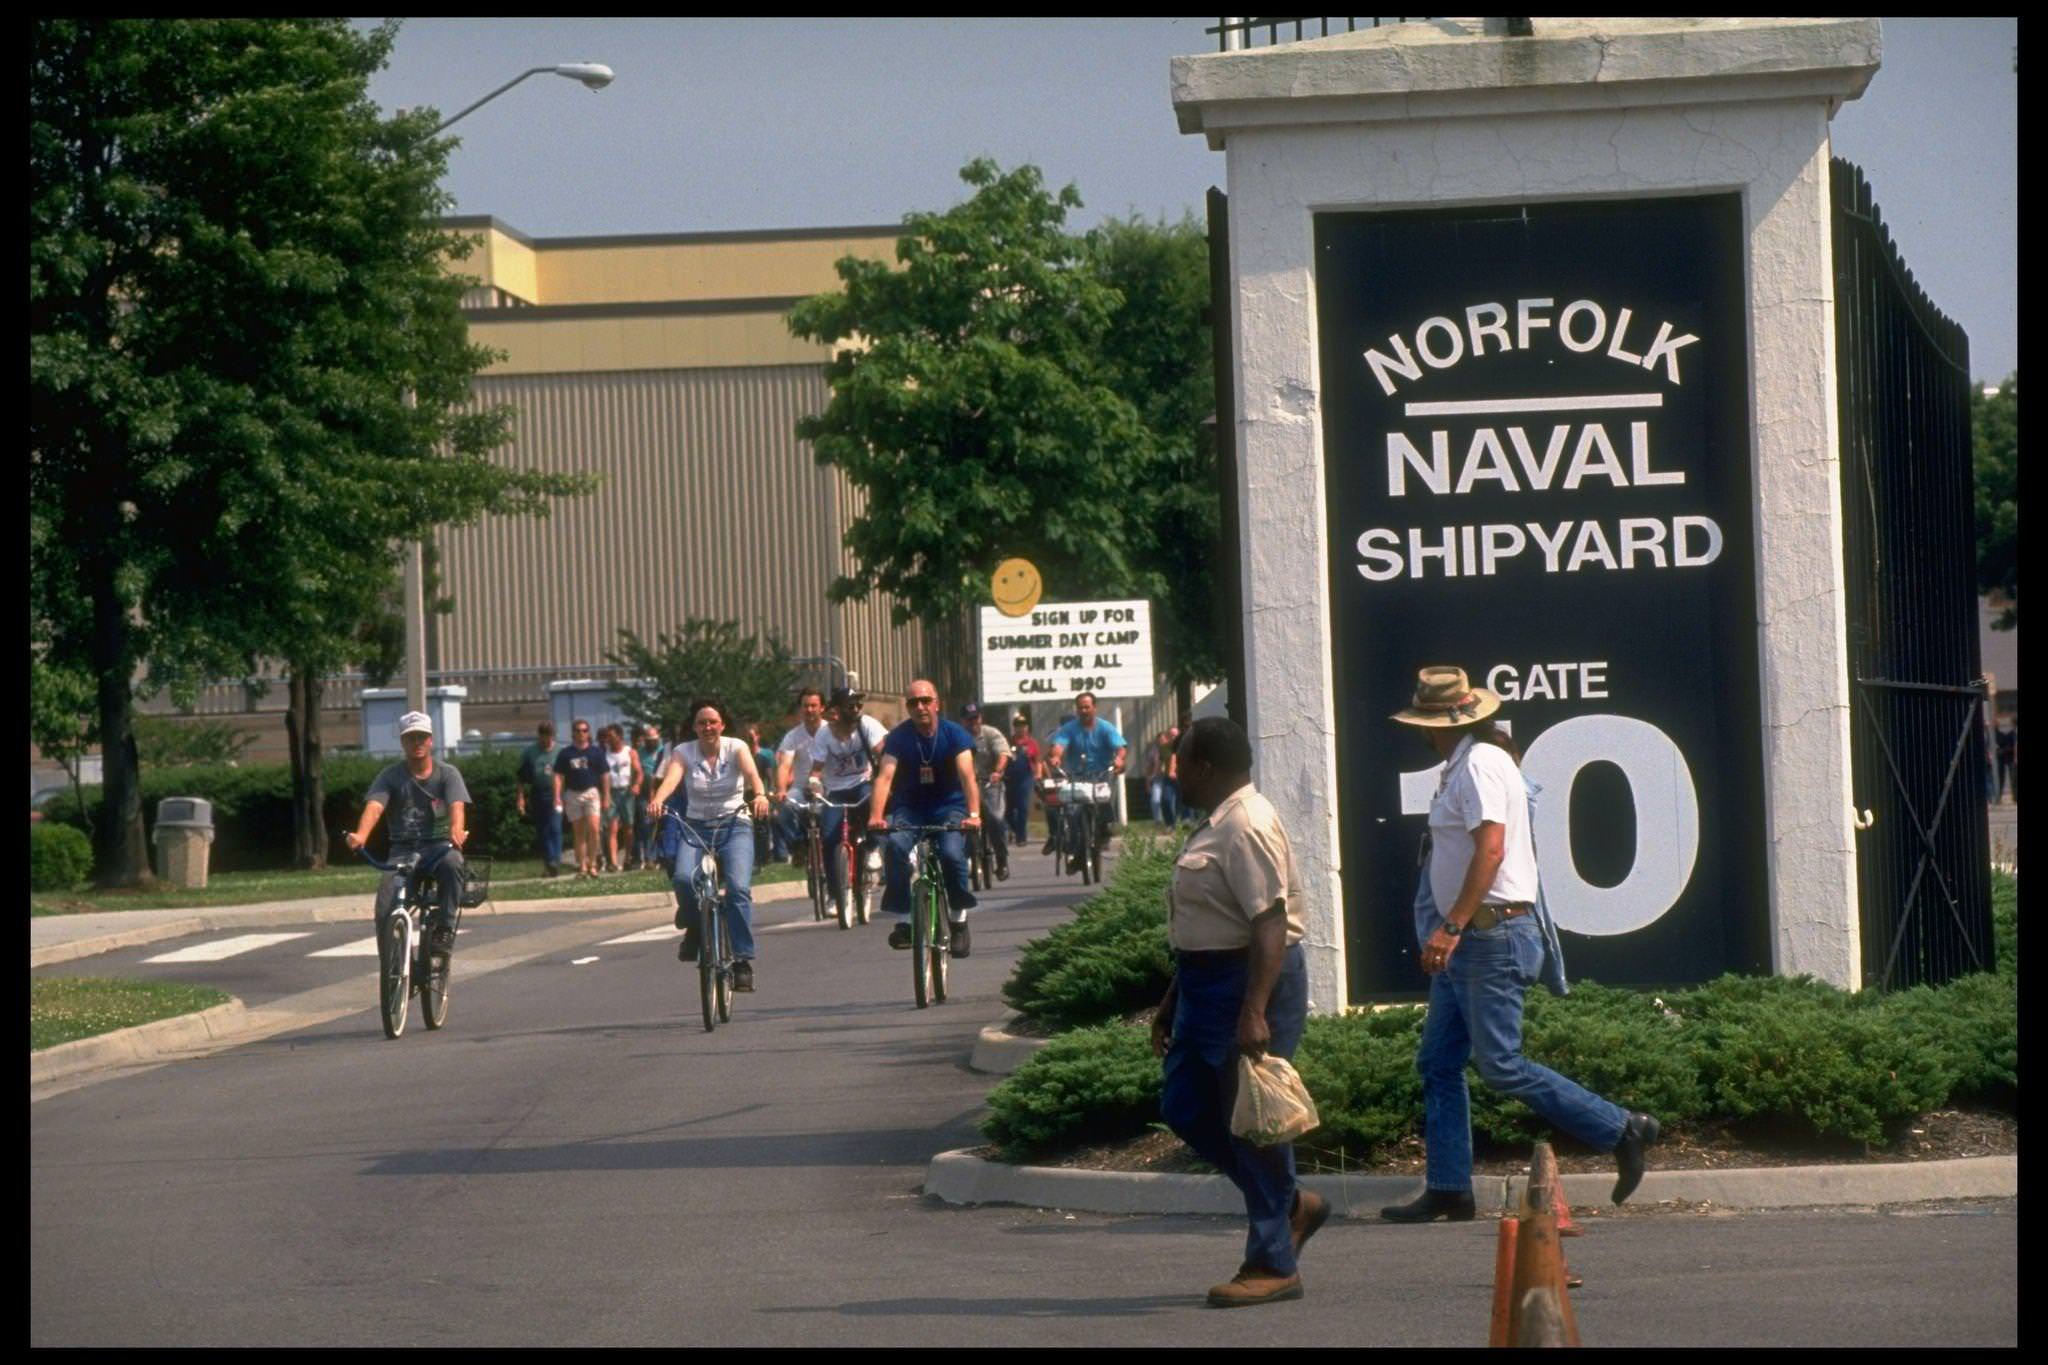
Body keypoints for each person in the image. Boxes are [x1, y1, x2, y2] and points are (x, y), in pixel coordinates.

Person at [1380, 666, 1659, 1225]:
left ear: (1430, 724)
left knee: (1501, 1065)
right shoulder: (1466, 762)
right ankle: (1450, 1188)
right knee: (1438, 1062)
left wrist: (1451, 926)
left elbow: (1491, 850)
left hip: (1489, 935)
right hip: (1477, 938)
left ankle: (1623, 1128)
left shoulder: (1480, 764)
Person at [1150, 715, 1317, 1309]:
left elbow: (1269, 924)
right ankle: (1292, 1204)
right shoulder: (1216, 822)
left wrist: (1255, 1009)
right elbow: (1208, 923)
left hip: (1246, 983)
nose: (1176, 773)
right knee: (1184, 1105)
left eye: (1181, 762)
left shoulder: (1246, 824)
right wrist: (1173, 998)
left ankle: (1273, 1263)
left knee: (1252, 1123)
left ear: (1207, 767)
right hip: (1203, 984)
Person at [647, 698, 772, 992]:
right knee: (682, 879)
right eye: (702, 723)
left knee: (738, 888)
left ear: (722, 725)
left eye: (712, 722)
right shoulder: (683, 752)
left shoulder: (737, 747)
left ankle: (742, 961)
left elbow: (754, 776)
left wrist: (761, 795)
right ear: (694, 727)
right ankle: (694, 927)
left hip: (735, 824)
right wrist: (657, 801)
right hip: (696, 827)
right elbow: (672, 778)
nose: (707, 727)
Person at [866, 678, 982, 957]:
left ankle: (958, 920)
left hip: (949, 806)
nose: (920, 707)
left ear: (936, 704)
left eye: (925, 701)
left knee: (952, 855)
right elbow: (884, 778)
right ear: (907, 707)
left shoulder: (955, 735)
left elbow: (967, 777)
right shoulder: (899, 737)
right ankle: (904, 921)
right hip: (911, 807)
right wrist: (877, 816)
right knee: (895, 846)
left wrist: (975, 814)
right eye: (913, 702)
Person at [345, 711, 470, 958]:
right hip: (402, 851)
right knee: (385, 906)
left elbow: (457, 806)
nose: (417, 743)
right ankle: (392, 966)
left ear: (431, 740)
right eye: (411, 738)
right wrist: (361, 835)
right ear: (403, 742)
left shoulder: (447, 774)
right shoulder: (390, 776)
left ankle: (444, 927)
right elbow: (375, 807)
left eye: (422, 737)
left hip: (438, 847)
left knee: (454, 863)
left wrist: (456, 830)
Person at [807, 687, 887, 921]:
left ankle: (872, 848)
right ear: (837, 711)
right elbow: (817, 768)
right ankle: (835, 895)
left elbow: (883, 752)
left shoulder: (867, 725)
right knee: (830, 837)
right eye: (850, 706)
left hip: (862, 784)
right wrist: (813, 783)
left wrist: (885, 776)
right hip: (837, 791)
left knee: (875, 813)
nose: (856, 710)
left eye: (858, 705)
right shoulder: (825, 734)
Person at [1045, 691, 1129, 873]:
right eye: (1080, 707)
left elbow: (1120, 748)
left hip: (1101, 775)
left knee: (1105, 802)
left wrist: (1119, 759)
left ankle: (1104, 830)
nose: (1084, 711)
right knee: (1073, 814)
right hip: (1077, 776)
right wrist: (1056, 757)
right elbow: (1059, 746)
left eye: (1087, 707)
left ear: (1094, 708)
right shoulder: (1069, 729)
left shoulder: (1106, 727)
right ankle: (1077, 850)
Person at [774, 688, 829, 863]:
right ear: (800, 708)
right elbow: (784, 765)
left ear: (822, 708)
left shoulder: (831, 730)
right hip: (802, 788)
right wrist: (781, 790)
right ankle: (798, 845)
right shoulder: (793, 736)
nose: (810, 710)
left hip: (829, 787)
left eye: (814, 705)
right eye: (806, 706)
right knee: (785, 807)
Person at [960, 701, 1012, 880]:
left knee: (996, 819)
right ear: (963, 721)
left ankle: (1002, 860)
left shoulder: (991, 733)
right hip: (966, 785)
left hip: (990, 783)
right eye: (969, 719)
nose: (973, 722)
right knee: (959, 822)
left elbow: (1003, 754)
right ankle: (963, 861)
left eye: (976, 718)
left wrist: (997, 772)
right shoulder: (958, 736)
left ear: (980, 718)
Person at [552, 719, 608, 879]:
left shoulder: (595, 752)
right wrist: (557, 796)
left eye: (584, 730)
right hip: (573, 793)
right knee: (579, 832)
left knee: (594, 829)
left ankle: (593, 864)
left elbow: (604, 775)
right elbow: (558, 775)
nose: (581, 733)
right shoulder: (566, 753)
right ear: (572, 733)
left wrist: (606, 796)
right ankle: (582, 866)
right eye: (577, 730)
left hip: (591, 792)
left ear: (588, 733)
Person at [515, 720, 563, 876]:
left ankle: (555, 860)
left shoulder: (559, 751)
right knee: (543, 830)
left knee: (555, 827)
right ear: (539, 736)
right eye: (543, 737)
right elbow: (521, 777)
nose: (546, 740)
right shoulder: (530, 752)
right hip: (539, 792)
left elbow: (565, 774)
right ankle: (549, 862)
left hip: (557, 794)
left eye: (549, 737)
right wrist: (520, 797)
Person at [600, 724, 642, 873]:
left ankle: (628, 858)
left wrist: (636, 784)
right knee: (612, 827)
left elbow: (639, 772)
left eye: (611, 736)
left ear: (619, 736)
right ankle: (612, 861)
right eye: (607, 737)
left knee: (628, 827)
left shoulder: (630, 752)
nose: (608, 740)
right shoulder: (604, 753)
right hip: (611, 792)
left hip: (626, 792)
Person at [632, 724, 670, 869]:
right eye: (648, 740)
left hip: (663, 791)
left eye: (654, 739)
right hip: (644, 794)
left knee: (664, 826)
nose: (651, 742)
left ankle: (661, 857)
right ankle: (647, 857)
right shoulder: (639, 752)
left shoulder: (663, 750)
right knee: (646, 825)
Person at [1005, 711, 1040, 849]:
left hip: (1025, 778)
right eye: (1018, 725)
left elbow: (1037, 761)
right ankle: (1015, 829)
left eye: (1023, 725)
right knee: (1008, 811)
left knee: (1022, 808)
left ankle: (1021, 837)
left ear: (1027, 727)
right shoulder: (1008, 741)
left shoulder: (1031, 743)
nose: (1021, 728)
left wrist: (1038, 774)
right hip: (1009, 778)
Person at [1147, 726, 1182, 827]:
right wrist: (1153, 776)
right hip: (1168, 778)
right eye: (1171, 735)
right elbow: (1159, 763)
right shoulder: (1164, 748)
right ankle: (1170, 824)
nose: (1173, 738)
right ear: (1168, 736)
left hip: (1182, 777)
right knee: (1166, 800)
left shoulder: (1185, 746)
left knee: (1181, 803)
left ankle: (1180, 823)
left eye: (1175, 735)